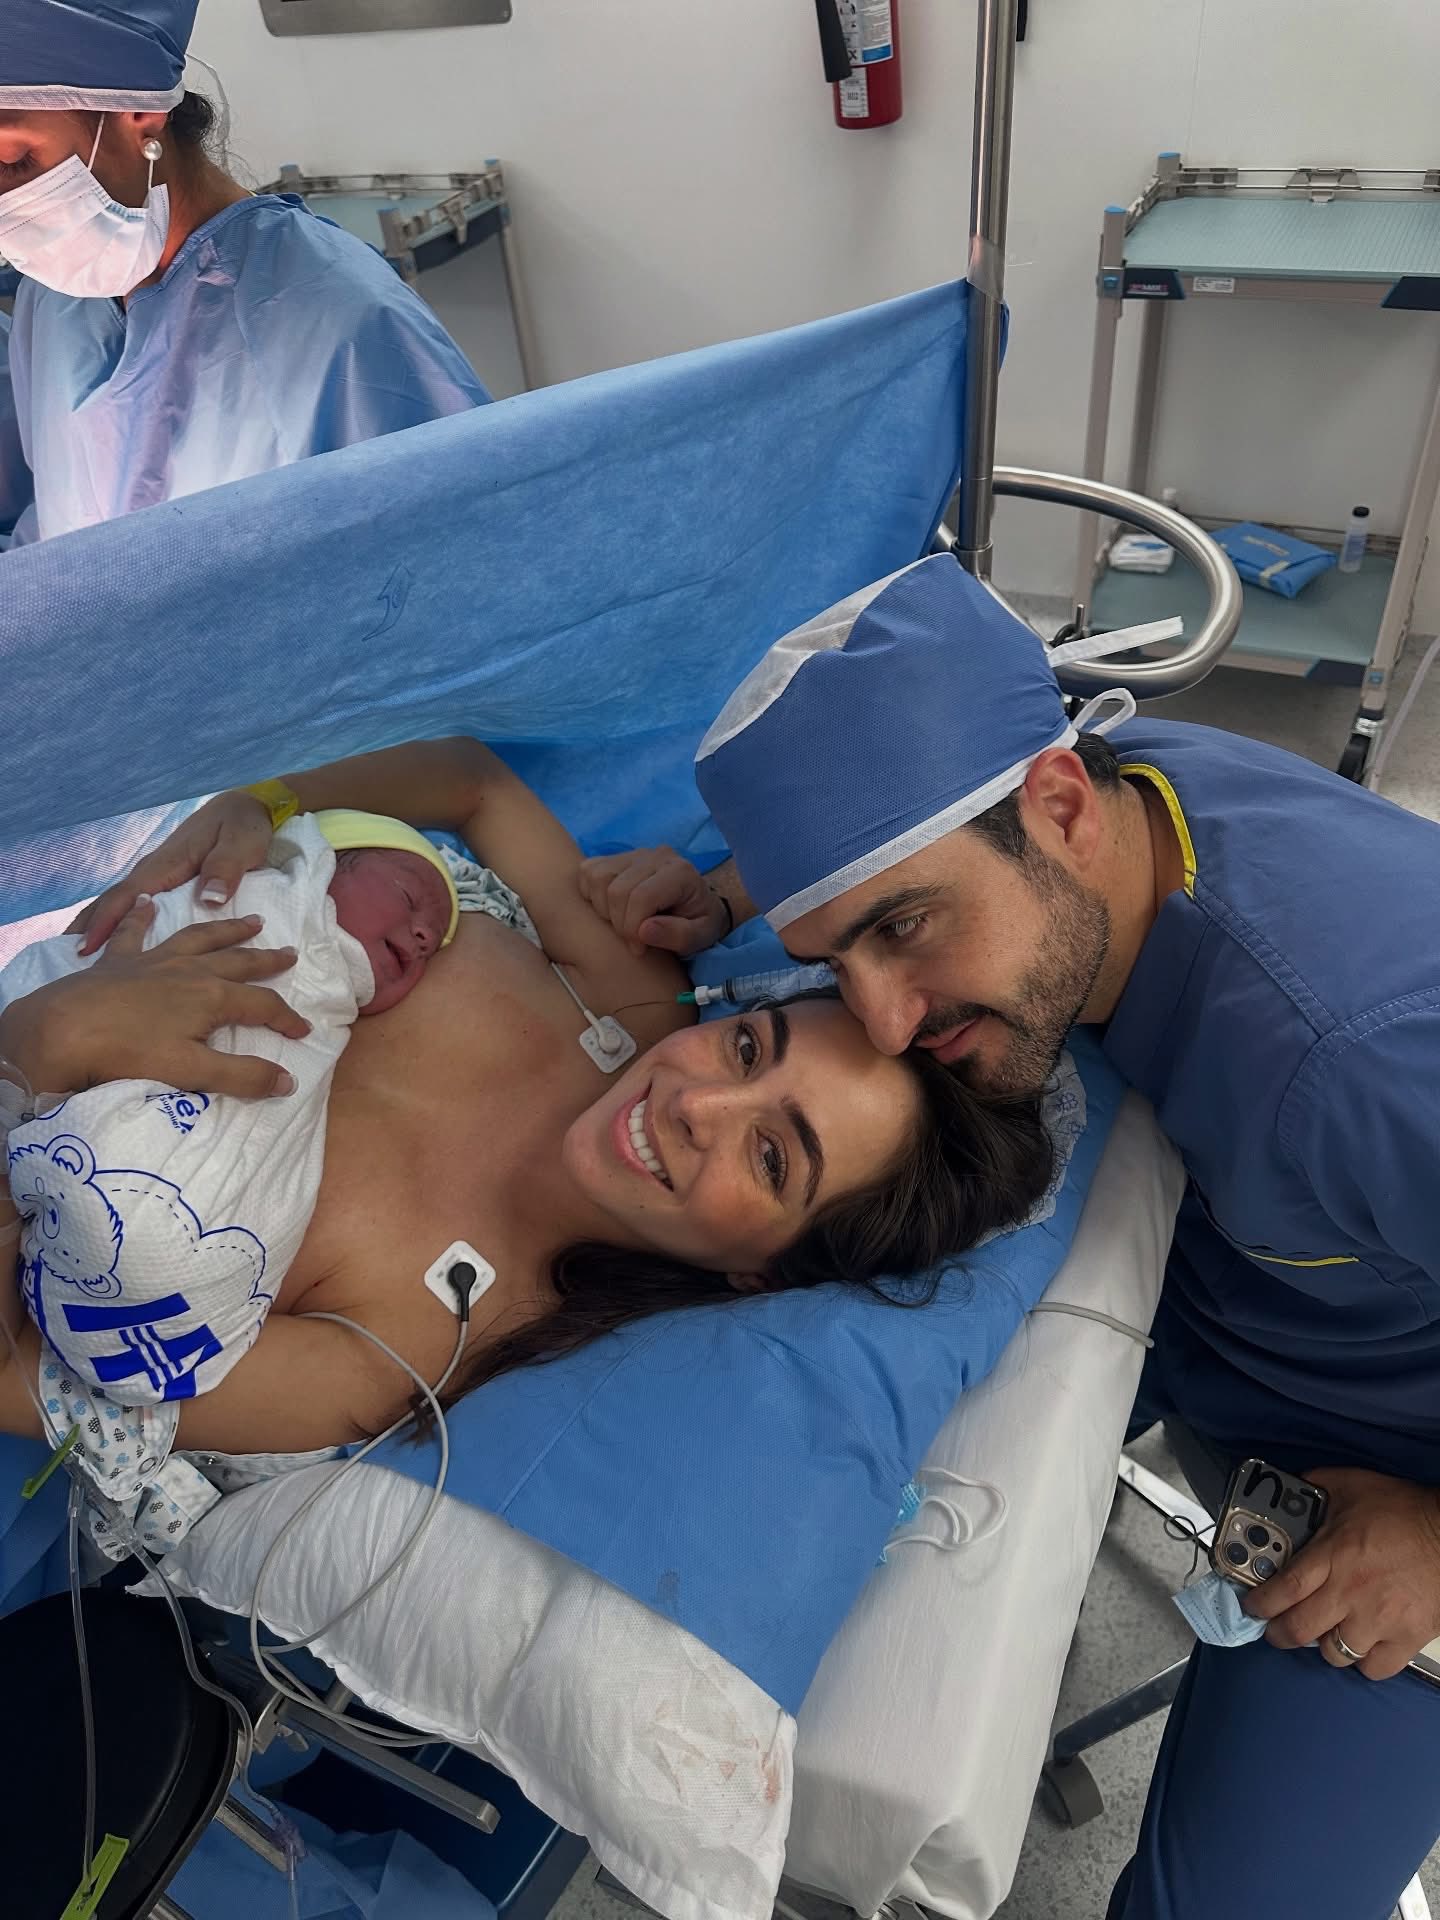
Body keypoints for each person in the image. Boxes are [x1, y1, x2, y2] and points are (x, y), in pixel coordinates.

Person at [578, 553, 1440, 1920]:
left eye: (902, 927)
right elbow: (899, 838)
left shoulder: (1360, 1065)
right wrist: (733, 897)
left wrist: (1436, 1542)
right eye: (836, 953)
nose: (881, 1019)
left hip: (1391, 1462)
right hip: (1223, 1288)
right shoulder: (1121, 796)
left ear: (1059, 807)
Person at [1, 737, 1055, 1503]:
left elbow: (20, 1373)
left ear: (763, 1276)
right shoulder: (629, 1002)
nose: (695, 1104)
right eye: (747, 1049)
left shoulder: (410, 1348)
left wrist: (36, 1048)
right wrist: (261, 799)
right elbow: (474, 782)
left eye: (773, 1157)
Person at [1, 807, 459, 1422]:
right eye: (408, 896)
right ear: (325, 861)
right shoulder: (260, 902)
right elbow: (470, 782)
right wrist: (256, 800)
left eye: (435, 940)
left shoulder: (334, 1018)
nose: (424, 934)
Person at [0, 0, 488, 548]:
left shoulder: (344, 326)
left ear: (137, 112)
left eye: (12, 162)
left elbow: (454, 558)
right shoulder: (51, 302)